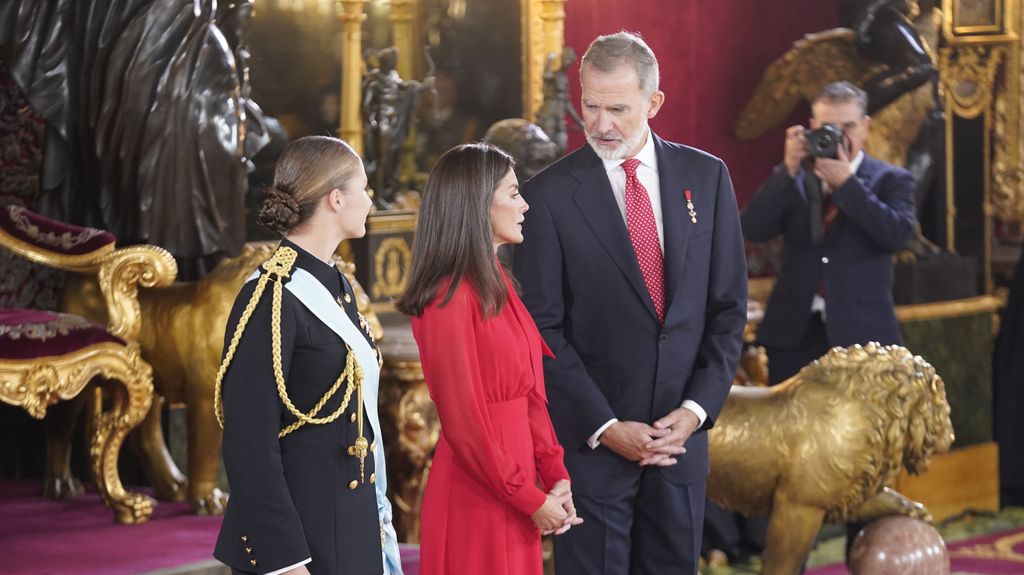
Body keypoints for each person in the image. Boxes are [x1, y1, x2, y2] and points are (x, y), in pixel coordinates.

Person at [513, 32, 748, 574]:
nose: (600, 125)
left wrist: (693, 413)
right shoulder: (547, 196)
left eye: (617, 109)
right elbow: (543, 331)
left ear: (653, 103)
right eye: (590, 107)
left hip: (679, 450)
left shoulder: (706, 177)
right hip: (593, 455)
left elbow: (728, 309)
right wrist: (605, 426)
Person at [212, 136, 404, 575]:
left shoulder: (336, 287)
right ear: (337, 199)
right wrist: (285, 561)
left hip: (351, 526)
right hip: (301, 540)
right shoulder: (270, 296)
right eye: (364, 188)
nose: (370, 200)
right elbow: (248, 445)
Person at [396, 143, 582, 575]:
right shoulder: (448, 297)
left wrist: (555, 473)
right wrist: (530, 498)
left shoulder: (499, 282)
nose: (524, 204)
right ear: (477, 202)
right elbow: (464, 422)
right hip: (476, 494)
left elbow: (530, 394)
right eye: (514, 193)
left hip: (516, 489)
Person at [742, 81, 916, 386]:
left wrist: (848, 186)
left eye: (848, 126)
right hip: (794, 331)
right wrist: (787, 169)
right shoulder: (794, 177)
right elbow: (753, 228)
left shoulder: (892, 179)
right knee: (792, 431)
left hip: (863, 334)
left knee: (863, 431)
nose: (838, 137)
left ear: (865, 127)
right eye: (827, 127)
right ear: (811, 127)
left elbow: (897, 236)